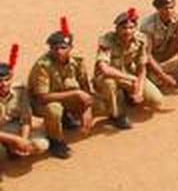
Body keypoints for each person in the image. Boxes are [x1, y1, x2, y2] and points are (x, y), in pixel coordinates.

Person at [27, 20, 94, 159]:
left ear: (70, 47)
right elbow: (42, 97)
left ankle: (66, 118)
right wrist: (76, 93)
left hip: (64, 97)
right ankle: (55, 140)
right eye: (54, 48)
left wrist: (87, 111)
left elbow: (85, 88)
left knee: (99, 105)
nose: (59, 52)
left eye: (63, 47)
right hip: (41, 103)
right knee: (54, 109)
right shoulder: (43, 66)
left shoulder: (78, 60)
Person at [94, 9, 165, 130]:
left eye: (131, 28)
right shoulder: (107, 41)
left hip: (129, 76)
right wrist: (131, 78)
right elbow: (104, 69)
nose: (128, 31)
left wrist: (139, 90)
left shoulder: (141, 40)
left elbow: (142, 68)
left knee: (157, 101)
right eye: (124, 28)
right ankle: (116, 115)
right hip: (109, 77)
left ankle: (127, 95)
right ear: (117, 29)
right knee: (109, 84)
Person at [0, 45, 50, 162]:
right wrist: (15, 140)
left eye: (7, 80)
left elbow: (26, 118)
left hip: (12, 127)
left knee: (41, 145)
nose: (3, 84)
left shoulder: (20, 90)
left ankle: (12, 149)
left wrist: (24, 140)